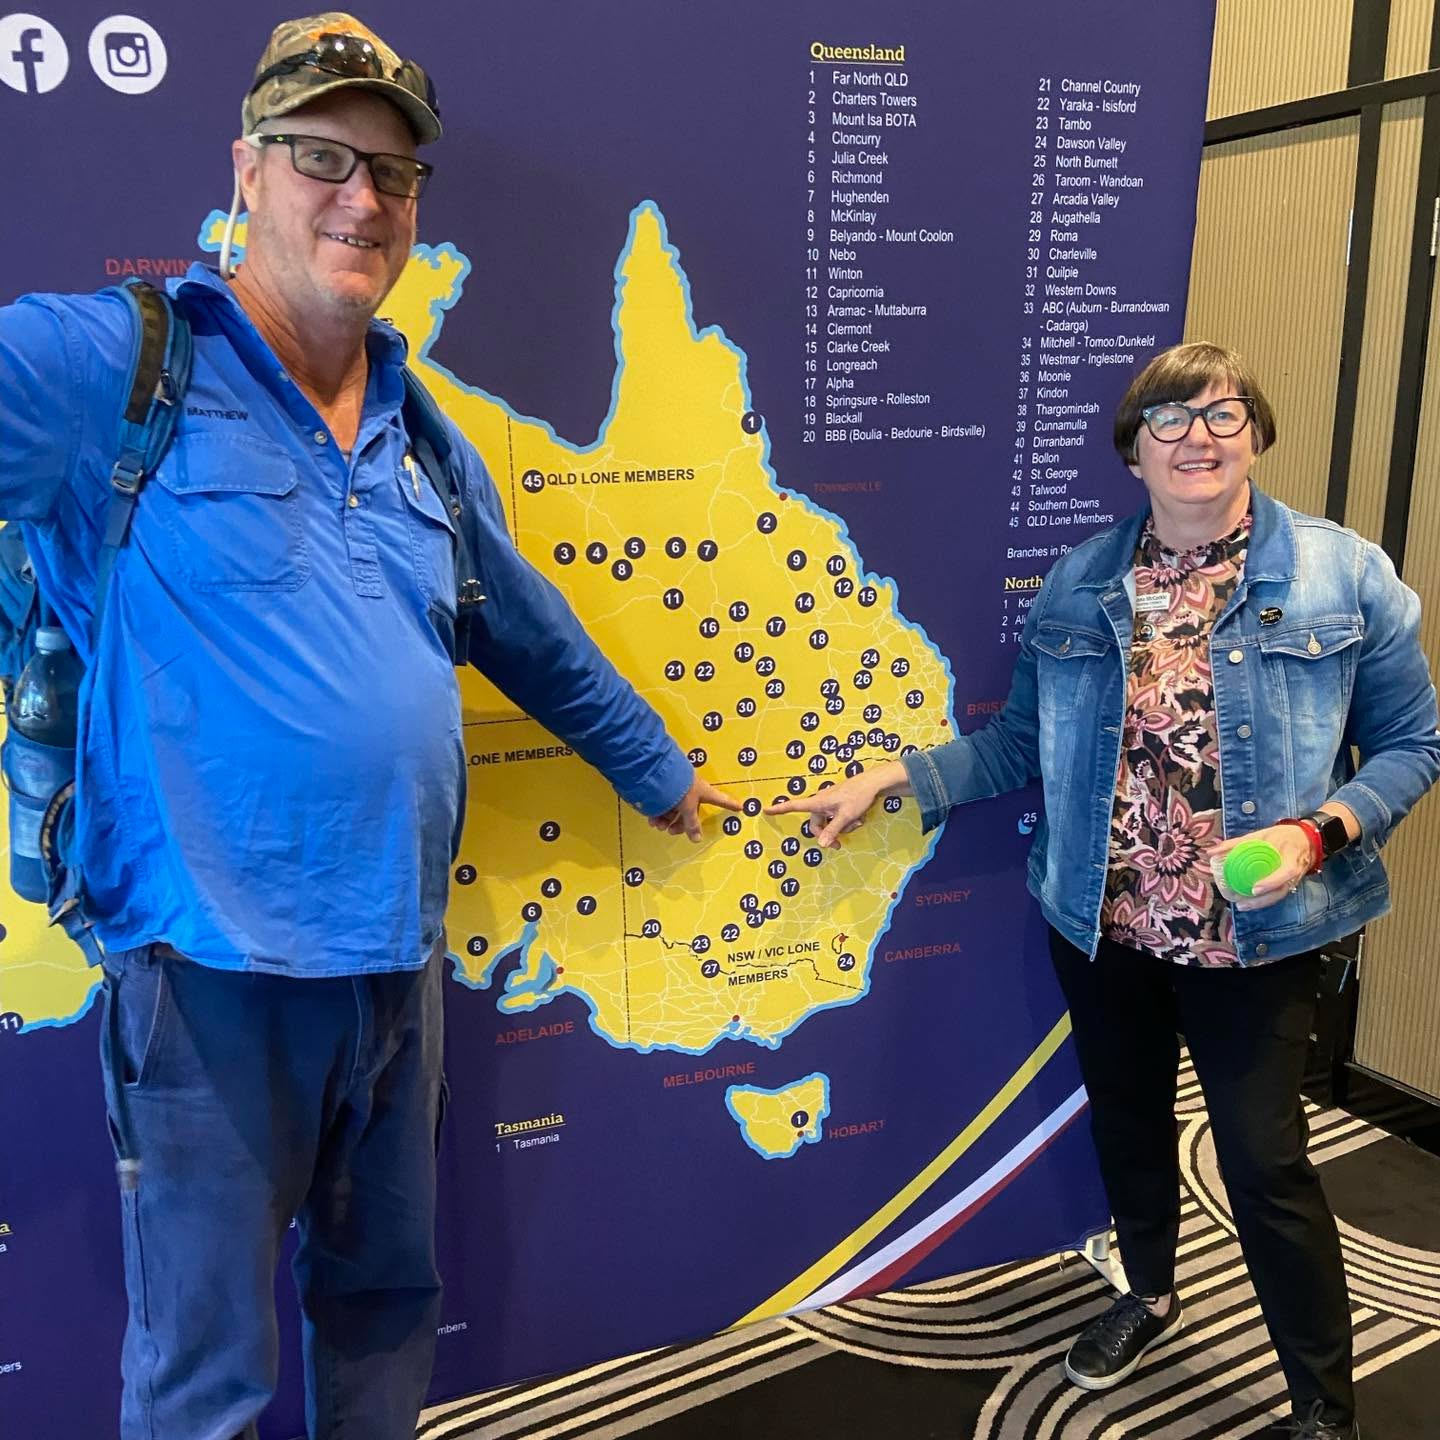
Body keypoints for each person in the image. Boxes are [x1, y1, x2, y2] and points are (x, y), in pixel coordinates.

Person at [0, 14, 736, 1439]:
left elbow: (527, 631)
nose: (362, 198)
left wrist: (657, 769)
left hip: (397, 966)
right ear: (247, 172)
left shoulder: (417, 427)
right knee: (206, 1377)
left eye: (394, 176)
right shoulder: (118, 370)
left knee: (386, 1311)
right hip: (210, 978)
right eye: (324, 157)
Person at [769, 342, 1440, 1440]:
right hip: (1104, 926)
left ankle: (1324, 1403)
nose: (1198, 440)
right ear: (1133, 454)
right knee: (1128, 1127)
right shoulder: (1082, 584)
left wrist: (1321, 833)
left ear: (1256, 436)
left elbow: (1414, 744)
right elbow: (1020, 747)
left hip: (1258, 936)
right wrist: (896, 777)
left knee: (1267, 1164)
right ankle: (1151, 1290)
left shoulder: (1341, 575)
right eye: (1168, 422)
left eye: (1221, 415)